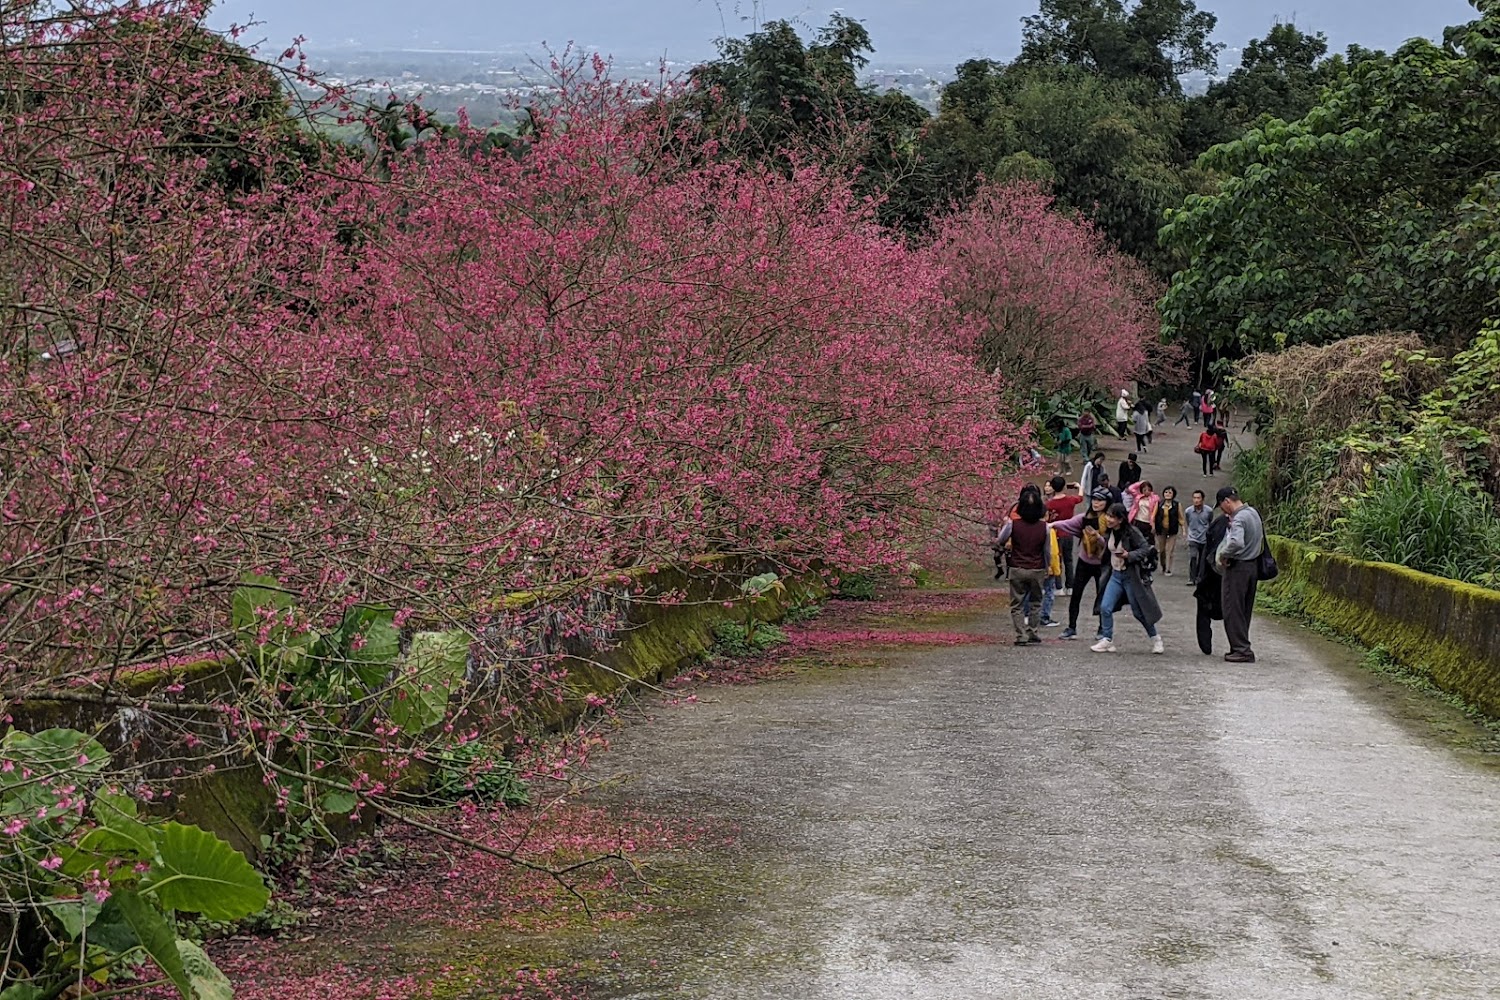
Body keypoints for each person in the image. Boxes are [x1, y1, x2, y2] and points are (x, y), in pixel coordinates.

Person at [1092, 503, 1164, 654]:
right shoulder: (1110, 531)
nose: (1108, 519)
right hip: (1115, 575)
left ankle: (1155, 638)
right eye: (1108, 515)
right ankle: (1107, 639)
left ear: (1120, 519)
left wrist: (1129, 555)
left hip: (1131, 576)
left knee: (1139, 611)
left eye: (1112, 516)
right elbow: (1109, 548)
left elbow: (1145, 548)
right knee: (1105, 607)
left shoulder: (1132, 532)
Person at [994, 485, 1052, 646]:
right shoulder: (1044, 528)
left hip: (1017, 567)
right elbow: (1047, 551)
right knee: (1036, 602)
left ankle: (1020, 635)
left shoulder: (1014, 524)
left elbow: (1000, 539)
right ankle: (1033, 632)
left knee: (1017, 604)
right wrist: (1047, 567)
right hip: (1037, 568)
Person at [1051, 488, 1112, 640]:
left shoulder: (1111, 521)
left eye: (1100, 500)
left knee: (1102, 597)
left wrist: (1098, 537)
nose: (1096, 503)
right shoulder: (1085, 518)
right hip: (1085, 562)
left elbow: (1112, 543)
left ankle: (1102, 629)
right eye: (1094, 499)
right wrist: (1051, 525)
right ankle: (1072, 627)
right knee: (1076, 594)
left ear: (1107, 503)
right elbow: (1068, 524)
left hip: (1102, 564)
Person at [1216, 486, 1264, 663]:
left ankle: (1241, 649)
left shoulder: (1239, 518)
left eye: (1222, 506)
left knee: (1232, 608)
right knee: (1244, 609)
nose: (1222, 510)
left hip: (1238, 568)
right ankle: (1241, 645)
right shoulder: (1253, 513)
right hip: (1252, 566)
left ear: (1227, 501)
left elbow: (1236, 542)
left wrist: (1224, 554)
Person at [1193, 506, 1231, 655]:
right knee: (1230, 610)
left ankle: (1206, 645)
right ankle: (1236, 645)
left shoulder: (1222, 522)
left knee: (1205, 609)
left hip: (1214, 573)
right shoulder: (1226, 522)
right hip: (1220, 574)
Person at [1045, 476, 1083, 595]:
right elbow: (1081, 497)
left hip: (1055, 534)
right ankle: (1070, 586)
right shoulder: (1070, 500)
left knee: (1057, 559)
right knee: (1069, 560)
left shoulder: (1050, 504)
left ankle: (1059, 586)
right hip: (1069, 533)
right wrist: (1079, 487)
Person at [1184, 489, 1214, 583]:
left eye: (1198, 498)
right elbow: (1188, 522)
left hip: (1204, 538)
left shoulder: (1208, 511)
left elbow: (1210, 522)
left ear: (1202, 499)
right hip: (1193, 537)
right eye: (1194, 498)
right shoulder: (1188, 511)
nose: (1196, 500)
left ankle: (1200, 577)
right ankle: (1191, 578)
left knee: (1202, 559)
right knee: (1193, 556)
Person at [1153, 486, 1182, 576]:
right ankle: (1163, 565)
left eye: (1170, 492)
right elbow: (1153, 516)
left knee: (1170, 550)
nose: (1168, 494)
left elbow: (1181, 518)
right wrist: (1153, 527)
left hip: (1172, 530)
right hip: (1161, 530)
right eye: (1166, 492)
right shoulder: (1159, 504)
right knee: (1162, 550)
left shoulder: (1177, 505)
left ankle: (1168, 569)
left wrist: (1184, 529)